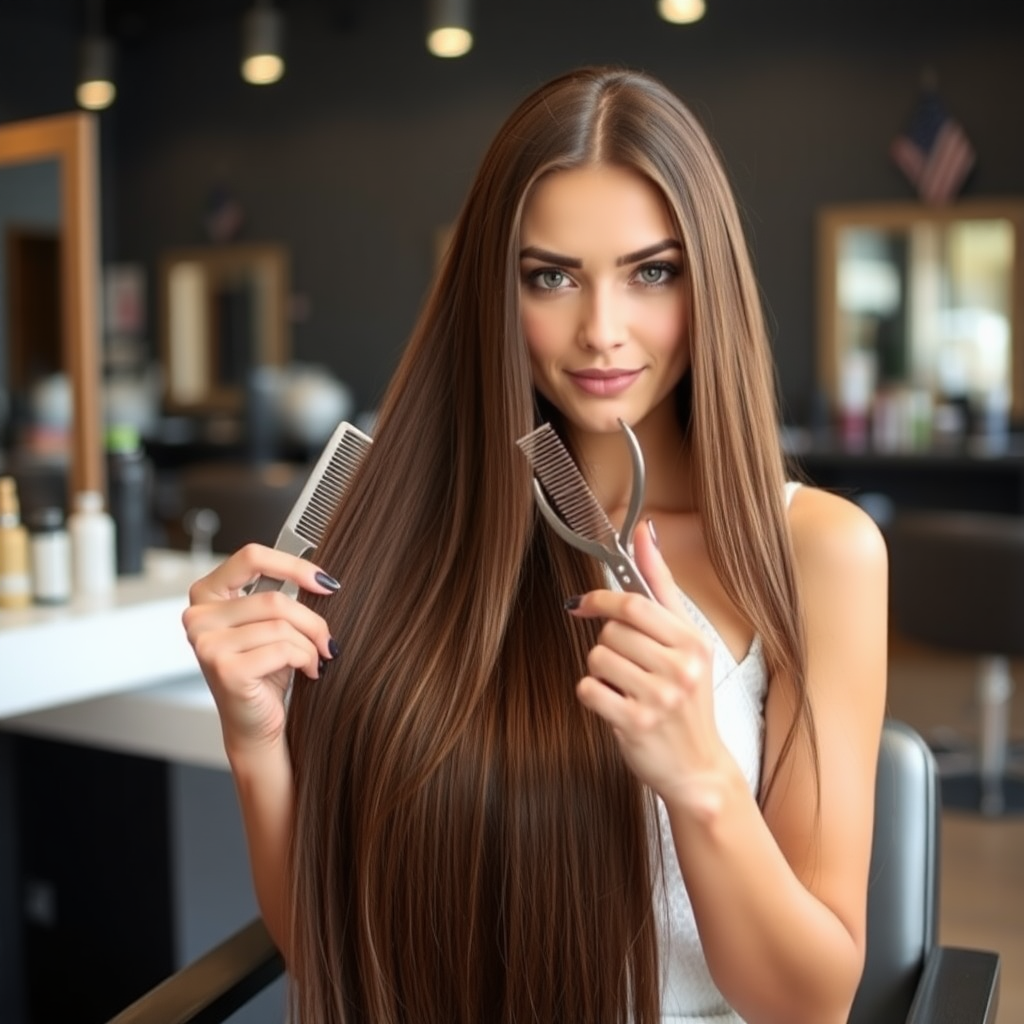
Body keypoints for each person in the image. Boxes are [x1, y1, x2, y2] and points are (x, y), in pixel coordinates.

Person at [183, 66, 887, 1024]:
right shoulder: (383, 522)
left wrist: (704, 783)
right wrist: (255, 744)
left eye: (652, 271)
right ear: (493, 286)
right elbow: (331, 950)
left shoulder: (817, 553)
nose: (602, 332)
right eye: (550, 277)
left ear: (709, 276)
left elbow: (809, 1005)